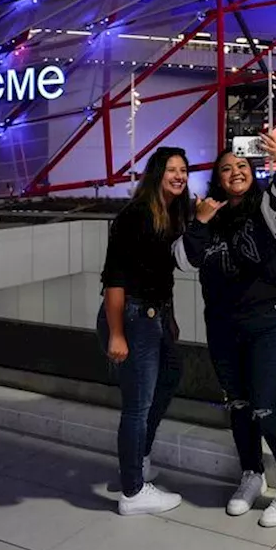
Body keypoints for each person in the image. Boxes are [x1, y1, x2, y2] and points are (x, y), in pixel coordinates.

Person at [176, 133, 276, 528]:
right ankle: (251, 473)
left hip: (271, 322)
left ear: (252, 174)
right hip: (223, 326)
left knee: (268, 404)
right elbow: (184, 261)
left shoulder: (264, 210)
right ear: (217, 178)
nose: (235, 172)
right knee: (239, 406)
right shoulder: (205, 215)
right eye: (226, 168)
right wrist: (200, 222)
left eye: (242, 166)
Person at [97, 146, 190, 515]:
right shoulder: (135, 216)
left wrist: (170, 317)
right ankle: (133, 492)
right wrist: (117, 333)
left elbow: (161, 276)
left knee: (169, 378)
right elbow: (114, 279)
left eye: (183, 169)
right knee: (137, 406)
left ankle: (137, 461)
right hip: (133, 318)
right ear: (156, 173)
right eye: (171, 169)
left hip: (155, 316)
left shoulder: (169, 213)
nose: (179, 175)